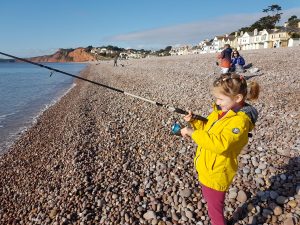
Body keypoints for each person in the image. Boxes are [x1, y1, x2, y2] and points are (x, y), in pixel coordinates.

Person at [180, 73, 260, 225]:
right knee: (211, 202)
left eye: (220, 99)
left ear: (237, 98)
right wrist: (195, 122)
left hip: (217, 173)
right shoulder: (220, 112)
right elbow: (209, 131)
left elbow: (220, 144)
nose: (217, 102)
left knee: (214, 209)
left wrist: (192, 133)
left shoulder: (239, 122)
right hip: (207, 167)